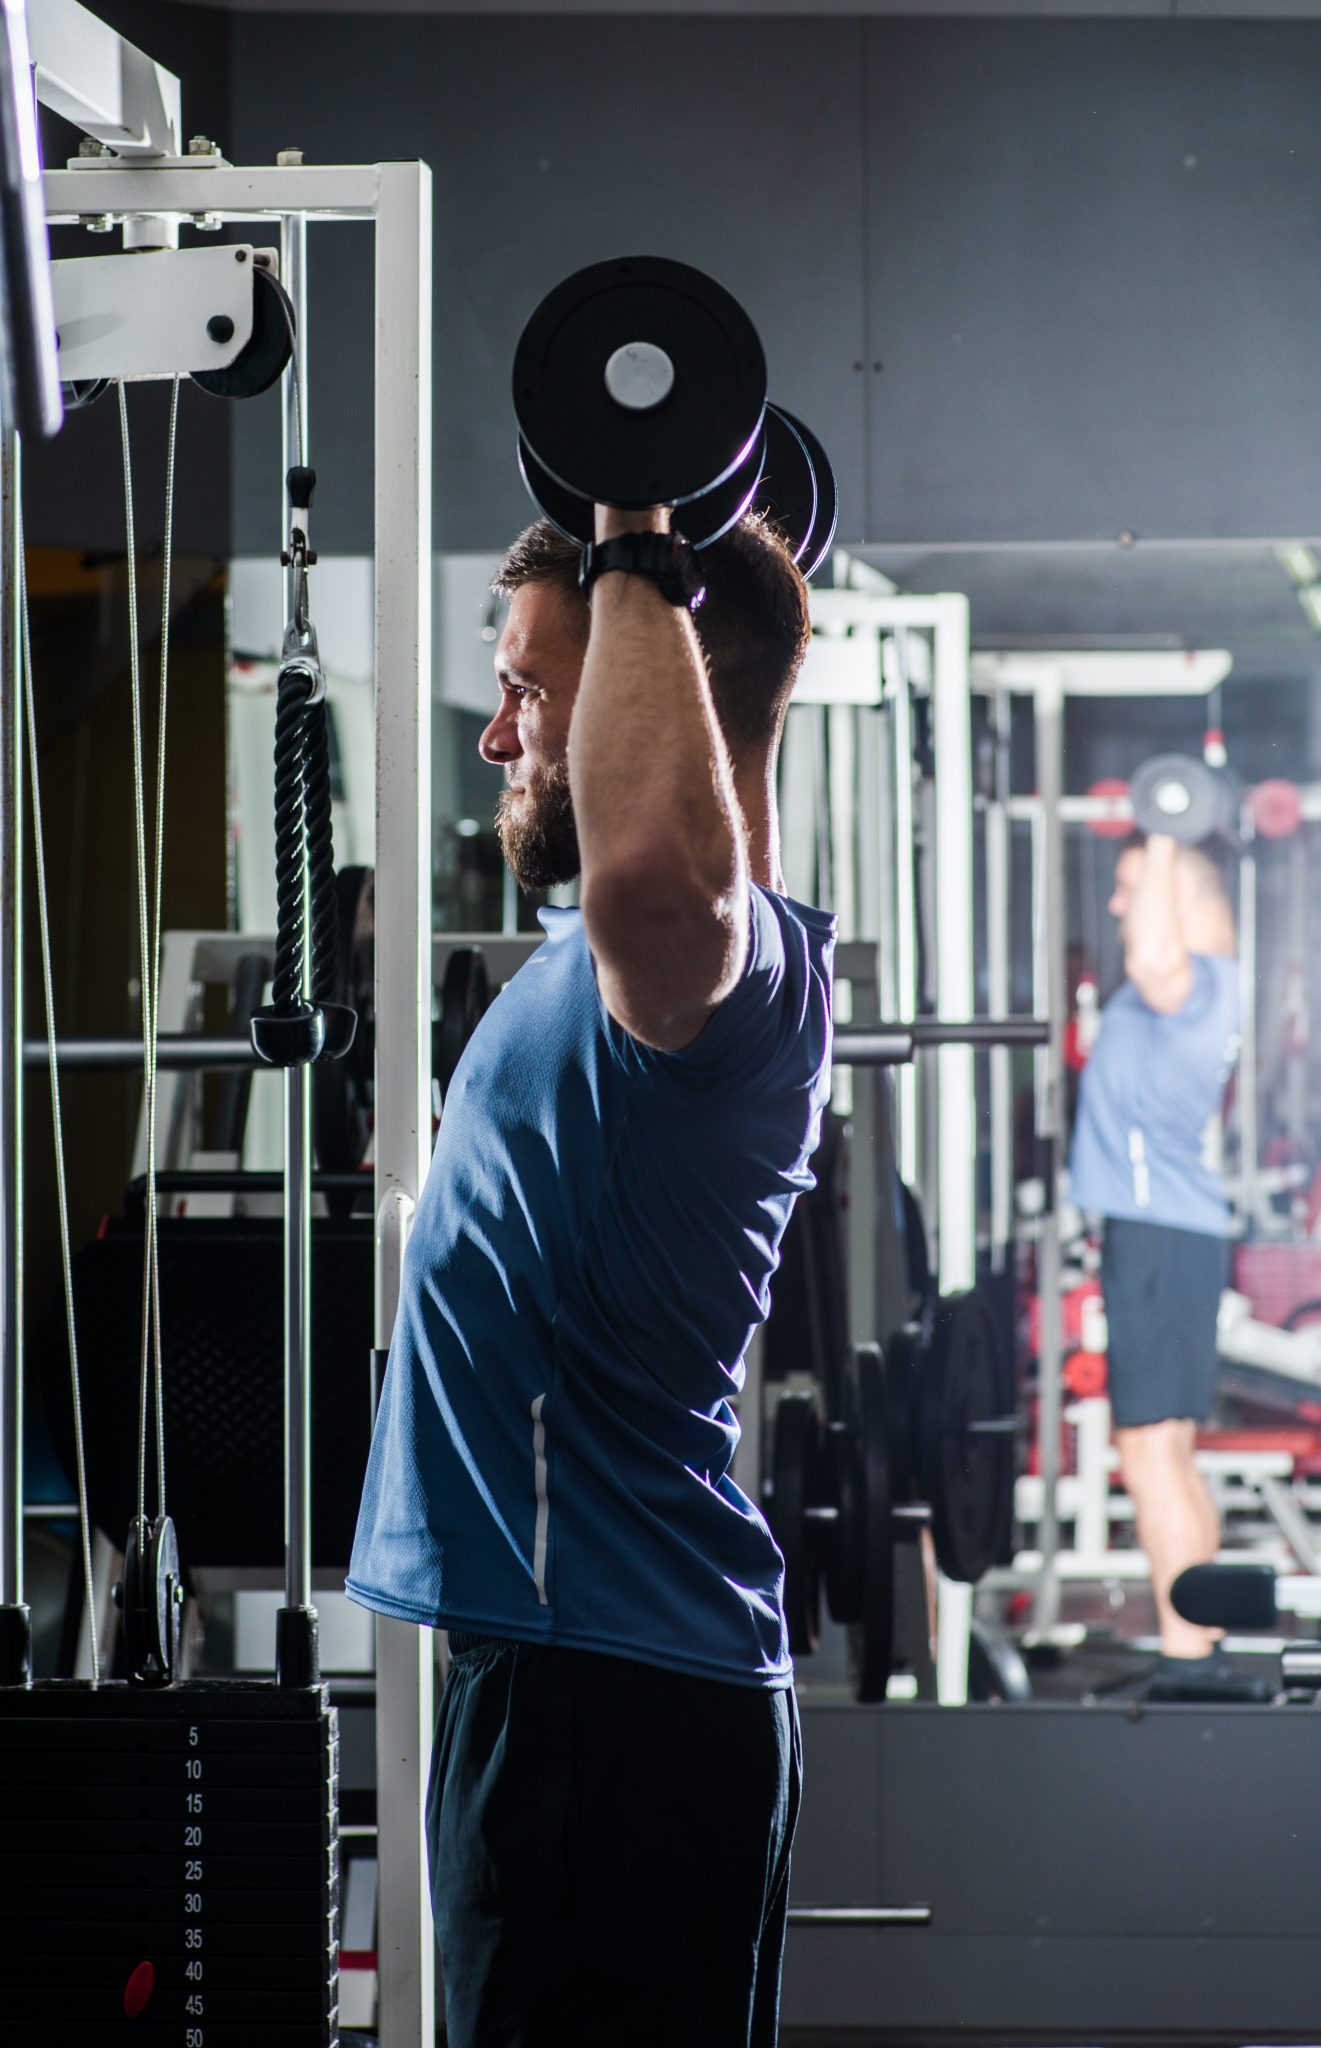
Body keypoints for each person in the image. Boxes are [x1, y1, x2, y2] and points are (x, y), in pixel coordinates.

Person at [347, 498, 835, 2046]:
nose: (496, 736)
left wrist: (634, 528)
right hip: (578, 1674)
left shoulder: (703, 961)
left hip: (603, 1694)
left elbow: (659, 871)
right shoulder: (633, 979)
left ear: (667, 681)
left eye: (529, 690)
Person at [1068, 830, 1241, 1697]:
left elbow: (1148, 951)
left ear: (1174, 902)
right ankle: (1197, 1643)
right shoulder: (1204, 985)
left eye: (1128, 887)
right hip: (1168, 1235)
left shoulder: (1188, 984)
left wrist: (1165, 833)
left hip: (1156, 1234)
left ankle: (1185, 1657)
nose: (1115, 903)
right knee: (1167, 1449)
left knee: (1146, 1453)